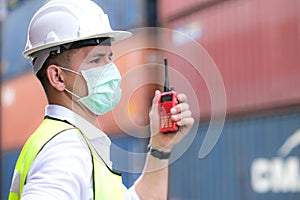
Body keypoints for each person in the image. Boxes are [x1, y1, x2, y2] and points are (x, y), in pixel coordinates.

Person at [8, 0, 194, 199]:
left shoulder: (79, 142)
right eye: (96, 60)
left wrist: (160, 146)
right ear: (58, 77)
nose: (110, 69)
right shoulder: (65, 150)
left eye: (109, 57)